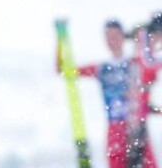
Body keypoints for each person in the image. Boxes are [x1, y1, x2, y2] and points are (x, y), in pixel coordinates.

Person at [56, 19, 156, 168]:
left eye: (115, 36)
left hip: (136, 128)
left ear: (123, 37)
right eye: (109, 37)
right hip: (115, 130)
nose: (112, 41)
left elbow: (152, 60)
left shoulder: (137, 63)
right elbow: (63, 71)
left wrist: (146, 34)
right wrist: (61, 38)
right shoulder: (102, 69)